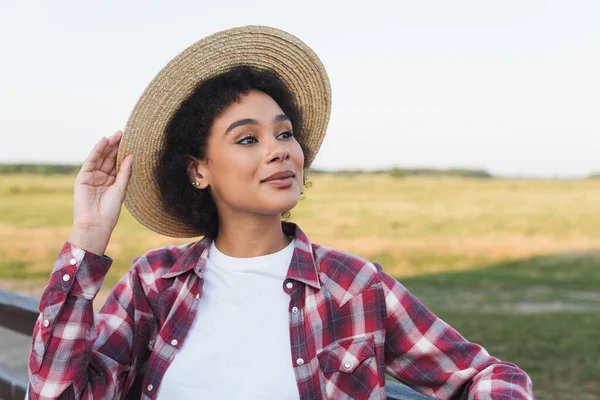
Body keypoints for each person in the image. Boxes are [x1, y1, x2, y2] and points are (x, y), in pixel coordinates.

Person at [27, 26, 534, 399]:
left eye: (285, 132)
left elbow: (489, 377)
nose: (279, 150)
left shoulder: (354, 287)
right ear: (198, 170)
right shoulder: (154, 286)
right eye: (248, 138)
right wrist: (88, 237)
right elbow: (55, 393)